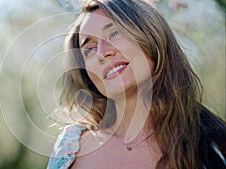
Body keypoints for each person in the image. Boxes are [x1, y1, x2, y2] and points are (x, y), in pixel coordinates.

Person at [47, 0, 226, 168]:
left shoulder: (213, 144)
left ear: (152, 36)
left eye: (114, 33)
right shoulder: (70, 149)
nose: (102, 53)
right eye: (90, 49)